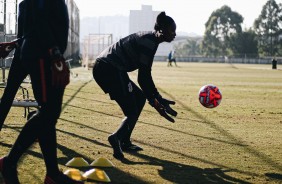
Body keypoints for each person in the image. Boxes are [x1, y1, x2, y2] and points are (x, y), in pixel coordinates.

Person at [0, 0, 83, 183]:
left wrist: (16, 44)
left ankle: (52, 174)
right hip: (42, 55)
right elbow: (39, 21)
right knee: (48, 112)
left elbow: (34, 24)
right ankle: (10, 162)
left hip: (39, 52)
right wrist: (54, 52)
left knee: (48, 115)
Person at [93, 12, 178, 160]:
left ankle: (124, 141)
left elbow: (144, 76)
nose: (175, 34)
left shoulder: (151, 40)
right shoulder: (149, 42)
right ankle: (116, 138)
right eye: (172, 30)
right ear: (162, 30)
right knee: (131, 109)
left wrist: (155, 99)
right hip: (109, 68)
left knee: (139, 98)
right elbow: (143, 77)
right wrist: (156, 100)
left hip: (110, 68)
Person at [0, 0, 29, 131]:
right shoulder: (45, 6)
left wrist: (14, 45)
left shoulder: (23, 5)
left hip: (22, 55)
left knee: (8, 95)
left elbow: (25, 34)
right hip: (35, 57)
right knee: (46, 103)